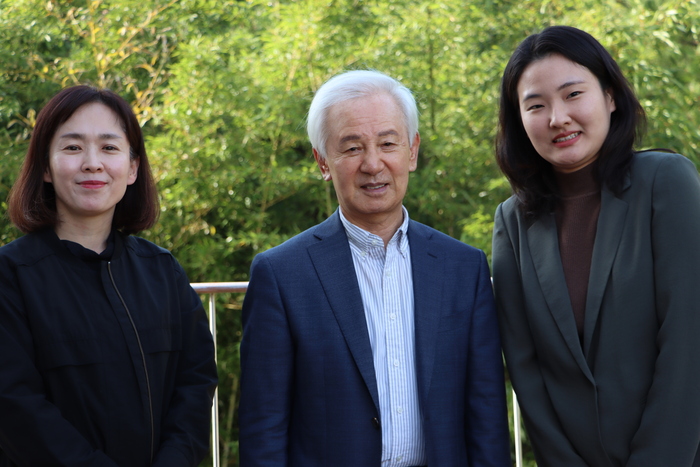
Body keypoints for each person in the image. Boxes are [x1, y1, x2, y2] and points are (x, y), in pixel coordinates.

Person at [239, 70, 511, 466]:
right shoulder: (281, 275)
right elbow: (264, 427)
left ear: (412, 151)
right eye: (352, 148)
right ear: (322, 161)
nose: (372, 163)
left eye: (387, 143)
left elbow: (486, 416)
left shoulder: (463, 268)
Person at [493, 25, 700, 466]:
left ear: (610, 96)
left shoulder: (666, 182)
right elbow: (525, 370)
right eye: (535, 105)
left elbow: (689, 342)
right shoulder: (512, 221)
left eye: (573, 94)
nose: (557, 118)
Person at [0, 85, 218, 466]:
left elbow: (196, 384)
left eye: (109, 147)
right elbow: (15, 405)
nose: (92, 163)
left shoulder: (163, 272)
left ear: (132, 168)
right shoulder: (11, 276)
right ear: (45, 167)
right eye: (72, 147)